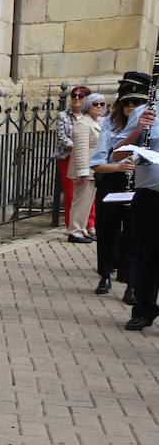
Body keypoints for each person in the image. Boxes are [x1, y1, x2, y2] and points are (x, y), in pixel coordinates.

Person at [91, 74, 149, 298]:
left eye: (136, 102)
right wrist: (118, 168)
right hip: (113, 182)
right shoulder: (110, 125)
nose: (131, 107)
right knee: (107, 230)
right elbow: (97, 164)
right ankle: (105, 275)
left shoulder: (151, 126)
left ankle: (131, 284)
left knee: (134, 234)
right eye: (127, 102)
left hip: (139, 183)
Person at [121, 96, 159, 331]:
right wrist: (137, 130)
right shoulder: (145, 111)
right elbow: (116, 153)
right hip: (150, 197)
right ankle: (144, 310)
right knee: (147, 256)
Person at [66, 93, 106, 244]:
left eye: (102, 104)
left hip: (95, 168)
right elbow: (81, 149)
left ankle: (82, 228)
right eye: (95, 104)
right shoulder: (83, 123)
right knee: (80, 201)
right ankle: (74, 231)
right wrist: (81, 172)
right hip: (86, 168)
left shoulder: (97, 122)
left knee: (88, 202)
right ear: (87, 106)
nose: (99, 107)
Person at [57, 86, 94, 236]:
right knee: (71, 192)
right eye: (74, 95)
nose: (77, 98)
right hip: (69, 156)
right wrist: (76, 147)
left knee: (89, 192)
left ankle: (89, 224)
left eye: (81, 96)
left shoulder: (91, 116)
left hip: (88, 157)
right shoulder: (63, 115)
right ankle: (72, 225)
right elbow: (61, 136)